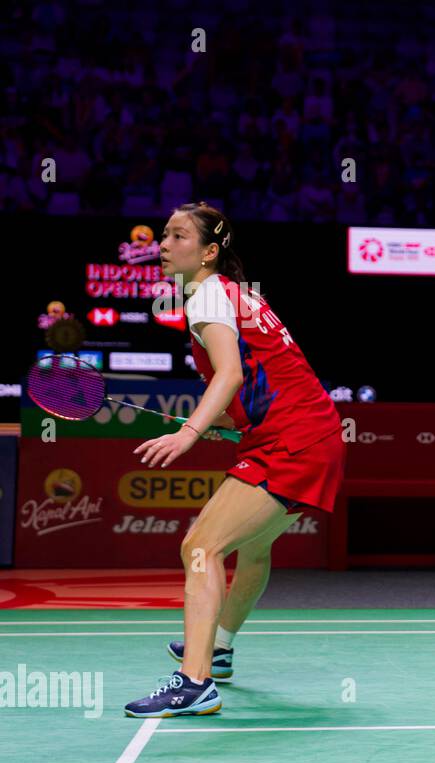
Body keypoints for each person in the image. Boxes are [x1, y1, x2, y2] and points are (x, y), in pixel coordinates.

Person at [124, 202, 344, 717]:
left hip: (294, 442)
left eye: (178, 236)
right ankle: (218, 650)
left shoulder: (207, 296)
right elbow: (260, 381)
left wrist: (190, 431)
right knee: (255, 549)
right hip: (309, 433)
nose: (163, 244)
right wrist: (227, 424)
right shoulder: (232, 296)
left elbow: (230, 377)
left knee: (200, 547)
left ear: (208, 253)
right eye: (163, 234)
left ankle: (195, 682)